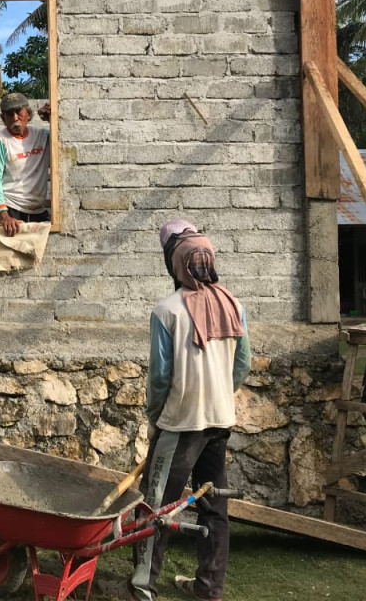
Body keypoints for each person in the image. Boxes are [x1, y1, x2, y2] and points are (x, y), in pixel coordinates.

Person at [114, 231, 251, 601]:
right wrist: (220, 392)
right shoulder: (233, 305)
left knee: (154, 505)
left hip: (180, 424)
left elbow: (160, 377)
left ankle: (142, 586)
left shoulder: (167, 311)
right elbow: (243, 365)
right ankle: (210, 588)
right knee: (214, 505)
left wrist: (156, 417)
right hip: (220, 422)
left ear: (175, 265)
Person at [0, 92, 51, 237]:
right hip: (11, 209)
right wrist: (3, 215)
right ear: (3, 119)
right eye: (9, 114)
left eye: (19, 112)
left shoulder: (42, 135)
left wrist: (53, 120)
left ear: (28, 114)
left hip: (37, 211)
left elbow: (62, 138)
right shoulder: (0, 140)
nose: (15, 118)